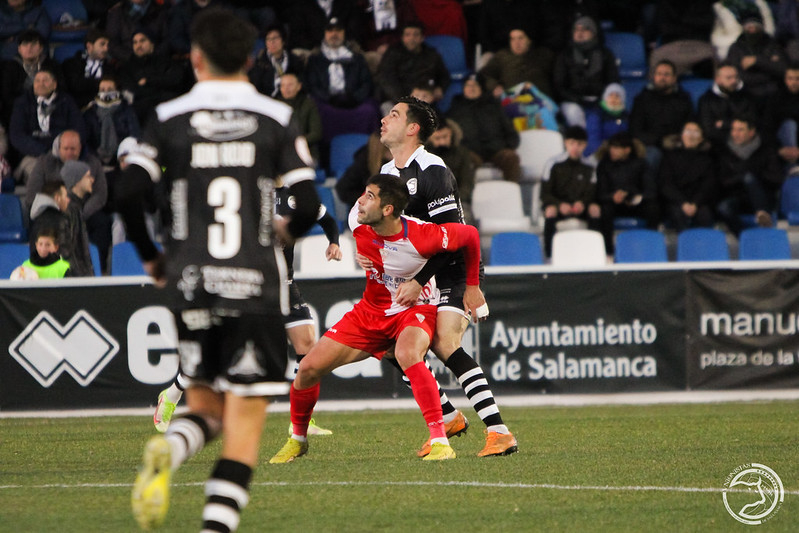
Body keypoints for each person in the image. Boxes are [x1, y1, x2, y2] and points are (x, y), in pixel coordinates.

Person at [120, 9, 320, 532]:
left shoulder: (169, 115)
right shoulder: (275, 116)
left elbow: (129, 191)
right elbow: (306, 203)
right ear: (251, 61)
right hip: (255, 287)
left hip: (192, 284)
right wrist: (280, 236)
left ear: (195, 59)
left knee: (205, 408)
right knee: (242, 429)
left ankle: (170, 448)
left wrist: (151, 255)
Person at [270, 173, 484, 463]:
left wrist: (472, 287)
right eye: (364, 193)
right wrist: (364, 257)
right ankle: (298, 439)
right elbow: (374, 248)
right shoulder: (357, 220)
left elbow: (470, 235)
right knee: (307, 368)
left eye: (369, 196)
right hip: (370, 311)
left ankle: (439, 441)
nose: (360, 200)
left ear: (387, 209)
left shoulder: (422, 235)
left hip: (414, 309)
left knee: (407, 353)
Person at [379, 96, 517, 458]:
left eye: (393, 115)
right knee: (388, 344)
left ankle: (499, 432)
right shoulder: (386, 174)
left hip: (452, 268)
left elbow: (456, 238)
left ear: (412, 128)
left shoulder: (433, 170)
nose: (384, 120)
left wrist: (470, 285)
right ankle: (448, 416)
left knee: (445, 342)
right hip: (417, 274)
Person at [153, 185, 342, 437]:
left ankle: (301, 421)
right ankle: (172, 394)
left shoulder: (295, 196)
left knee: (307, 346)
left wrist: (334, 242)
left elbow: (327, 219)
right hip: (249, 286)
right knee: (214, 352)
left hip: (284, 285)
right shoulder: (246, 190)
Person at [9, 68, 84, 184]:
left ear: (54, 84)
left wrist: (62, 149)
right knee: (40, 176)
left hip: (64, 154)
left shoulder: (67, 101)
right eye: (37, 81)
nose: (41, 84)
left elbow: (78, 129)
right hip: (33, 155)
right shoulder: (22, 103)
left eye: (45, 80)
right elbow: (17, 135)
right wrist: (43, 151)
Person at [716, 115, 784, 234]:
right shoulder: (726, 153)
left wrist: (754, 176)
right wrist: (742, 177)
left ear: (751, 132)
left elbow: (777, 178)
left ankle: (762, 213)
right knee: (723, 208)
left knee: (749, 177)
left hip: (764, 197)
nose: (735, 134)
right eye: (733, 129)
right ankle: (745, 237)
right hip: (739, 198)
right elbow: (724, 181)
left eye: (740, 130)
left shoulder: (766, 150)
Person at [540, 125, 601, 258]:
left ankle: (594, 252)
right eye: (572, 143)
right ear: (565, 143)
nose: (575, 147)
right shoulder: (553, 164)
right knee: (550, 211)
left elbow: (592, 191)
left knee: (595, 209)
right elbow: (545, 193)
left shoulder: (590, 166)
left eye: (579, 144)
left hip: (580, 207)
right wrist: (559, 204)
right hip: (559, 205)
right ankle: (549, 254)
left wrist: (583, 203)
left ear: (585, 145)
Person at [447, 74, 521, 182]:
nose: (471, 89)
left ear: (481, 88)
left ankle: (512, 190)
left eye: (475, 85)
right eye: (468, 85)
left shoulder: (494, 106)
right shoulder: (455, 109)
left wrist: (508, 145)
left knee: (511, 157)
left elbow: (510, 131)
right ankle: (466, 192)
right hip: (471, 152)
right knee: (464, 160)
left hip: (496, 150)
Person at [594, 132, 658, 253]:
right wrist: (612, 197)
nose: (612, 151)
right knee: (605, 210)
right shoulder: (604, 165)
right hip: (614, 204)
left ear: (627, 150)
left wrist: (634, 197)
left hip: (636, 204)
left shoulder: (641, 164)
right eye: (611, 147)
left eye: (616, 148)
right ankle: (608, 252)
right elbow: (600, 192)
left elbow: (650, 191)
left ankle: (651, 248)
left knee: (653, 208)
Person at [628, 59, 694, 175]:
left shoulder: (684, 99)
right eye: (659, 74)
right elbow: (635, 131)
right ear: (654, 77)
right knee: (651, 156)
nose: (662, 78)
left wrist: (679, 140)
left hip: (678, 144)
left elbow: (690, 124)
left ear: (674, 78)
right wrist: (660, 141)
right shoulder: (642, 99)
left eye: (667, 74)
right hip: (651, 145)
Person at [552, 16, 620, 128]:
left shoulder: (605, 54)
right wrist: (577, 99)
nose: (580, 33)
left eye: (584, 29)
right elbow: (559, 85)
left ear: (593, 33)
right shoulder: (565, 55)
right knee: (574, 113)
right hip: (572, 100)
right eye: (576, 30)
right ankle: (581, 139)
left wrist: (601, 98)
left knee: (606, 112)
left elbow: (613, 80)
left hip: (600, 99)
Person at [375, 22, 450, 112]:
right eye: (408, 35)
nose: (412, 38)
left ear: (422, 38)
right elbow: (386, 81)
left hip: (425, 99)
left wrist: (440, 88)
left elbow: (444, 75)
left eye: (416, 35)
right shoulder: (392, 54)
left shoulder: (431, 54)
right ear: (402, 38)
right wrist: (407, 99)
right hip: (396, 100)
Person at [118, 29, 184, 127]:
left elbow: (176, 80)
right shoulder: (127, 67)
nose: (138, 45)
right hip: (142, 111)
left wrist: (148, 81)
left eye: (142, 41)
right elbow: (131, 90)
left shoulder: (165, 61)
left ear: (152, 43)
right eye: (135, 42)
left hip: (167, 105)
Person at [658, 121, 718, 230]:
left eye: (696, 132)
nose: (691, 136)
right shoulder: (669, 157)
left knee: (705, 215)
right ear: (681, 135)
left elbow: (708, 185)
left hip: (698, 202)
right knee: (676, 214)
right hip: (676, 201)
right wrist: (683, 203)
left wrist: (695, 203)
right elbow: (666, 184)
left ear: (701, 138)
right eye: (688, 131)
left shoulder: (707, 159)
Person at [725, 12, 788, 102]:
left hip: (773, 94)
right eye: (749, 26)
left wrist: (757, 61)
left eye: (756, 26)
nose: (752, 29)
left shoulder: (773, 46)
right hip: (745, 94)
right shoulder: (736, 48)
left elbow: (784, 69)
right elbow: (735, 74)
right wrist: (768, 72)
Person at [479, 27, 555, 99]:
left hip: (540, 101)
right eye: (512, 39)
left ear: (529, 40)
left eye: (520, 38)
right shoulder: (502, 56)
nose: (516, 43)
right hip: (511, 101)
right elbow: (486, 74)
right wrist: (494, 86)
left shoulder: (544, 55)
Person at [82, 75, 140, 167]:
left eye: (110, 89)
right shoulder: (90, 112)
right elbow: (85, 139)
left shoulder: (126, 109)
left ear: (116, 90)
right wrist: (95, 159)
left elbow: (134, 134)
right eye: (102, 89)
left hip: (122, 159)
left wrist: (124, 155)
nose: (106, 93)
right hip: (97, 160)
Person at [697, 62, 757, 148]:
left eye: (736, 77)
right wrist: (737, 127)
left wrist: (724, 124)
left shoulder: (747, 96)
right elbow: (708, 129)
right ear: (717, 79)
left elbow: (751, 121)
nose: (734, 81)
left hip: (745, 143)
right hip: (717, 145)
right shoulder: (706, 100)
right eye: (729, 78)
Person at [275, 72, 323, 165]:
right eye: (283, 85)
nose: (286, 89)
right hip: (280, 153)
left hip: (306, 151)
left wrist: (297, 142)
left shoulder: (308, 104)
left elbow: (316, 133)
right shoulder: (274, 105)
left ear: (299, 86)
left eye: (290, 85)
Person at [61, 28, 115, 109]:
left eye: (107, 45)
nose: (106, 48)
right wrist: (99, 82)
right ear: (89, 46)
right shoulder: (72, 63)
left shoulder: (110, 67)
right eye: (102, 44)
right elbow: (76, 86)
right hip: (76, 108)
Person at [248, 24, 305, 98]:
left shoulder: (294, 61)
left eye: (275, 38)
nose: (272, 42)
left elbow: (302, 83)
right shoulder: (259, 63)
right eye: (268, 39)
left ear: (283, 40)